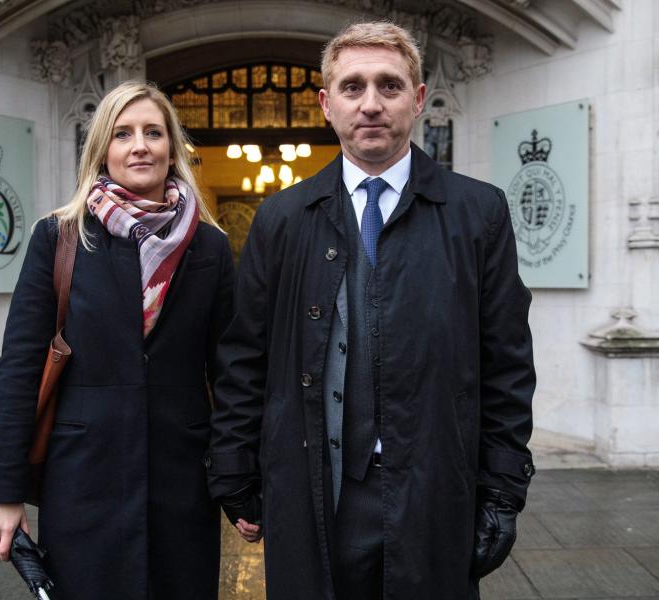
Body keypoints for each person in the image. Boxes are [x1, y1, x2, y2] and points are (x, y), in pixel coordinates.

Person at [206, 22, 535, 599]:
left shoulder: (477, 213)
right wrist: (234, 470)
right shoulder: (282, 218)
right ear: (326, 104)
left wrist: (503, 490)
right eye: (353, 87)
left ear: (419, 99)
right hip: (315, 492)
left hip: (434, 491)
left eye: (389, 85)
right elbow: (244, 358)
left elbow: (507, 364)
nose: (372, 104)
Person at [0, 81, 234, 599]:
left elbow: (231, 371)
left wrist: (240, 481)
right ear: (102, 151)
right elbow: (21, 365)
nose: (140, 145)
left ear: (172, 148)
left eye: (153, 132)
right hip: (83, 479)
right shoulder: (60, 237)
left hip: (182, 482)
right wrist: (2, 488)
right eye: (123, 134)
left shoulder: (209, 245)